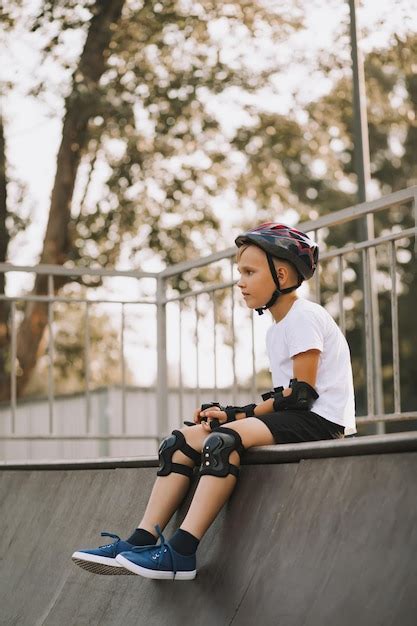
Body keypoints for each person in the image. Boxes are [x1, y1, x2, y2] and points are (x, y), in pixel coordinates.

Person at [72, 223, 356, 581]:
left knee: (221, 442)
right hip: (297, 418)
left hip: (322, 422)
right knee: (182, 440)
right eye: (240, 273)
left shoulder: (304, 317)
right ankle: (140, 540)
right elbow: (283, 401)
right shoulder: (276, 328)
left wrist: (235, 416)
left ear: (281, 274)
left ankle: (181, 552)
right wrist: (230, 413)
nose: (241, 282)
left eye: (250, 272)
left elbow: (301, 395)